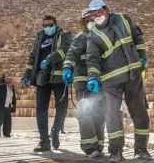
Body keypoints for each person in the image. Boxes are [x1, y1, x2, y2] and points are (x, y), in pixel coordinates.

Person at [85, 0, 151, 161]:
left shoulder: (124, 19)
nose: (97, 15)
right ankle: (115, 151)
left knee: (140, 113)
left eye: (99, 11)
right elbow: (92, 60)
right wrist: (93, 77)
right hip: (111, 81)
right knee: (112, 116)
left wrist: (142, 57)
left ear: (106, 9)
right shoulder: (93, 36)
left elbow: (137, 37)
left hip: (133, 76)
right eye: (93, 14)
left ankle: (141, 149)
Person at [22, 14, 72, 152]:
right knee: (40, 109)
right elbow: (32, 57)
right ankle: (44, 140)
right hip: (42, 78)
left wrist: (50, 59)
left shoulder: (65, 35)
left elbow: (65, 50)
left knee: (62, 107)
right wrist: (27, 74)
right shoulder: (39, 37)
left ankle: (55, 130)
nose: (47, 28)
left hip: (58, 77)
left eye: (50, 25)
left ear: (55, 24)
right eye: (45, 25)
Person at [62, 8, 105, 158]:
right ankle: (89, 146)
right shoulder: (81, 36)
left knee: (99, 113)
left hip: (99, 80)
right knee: (86, 112)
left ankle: (98, 145)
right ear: (83, 23)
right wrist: (67, 67)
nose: (90, 23)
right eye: (87, 21)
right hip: (83, 80)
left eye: (92, 19)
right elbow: (72, 53)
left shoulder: (102, 36)